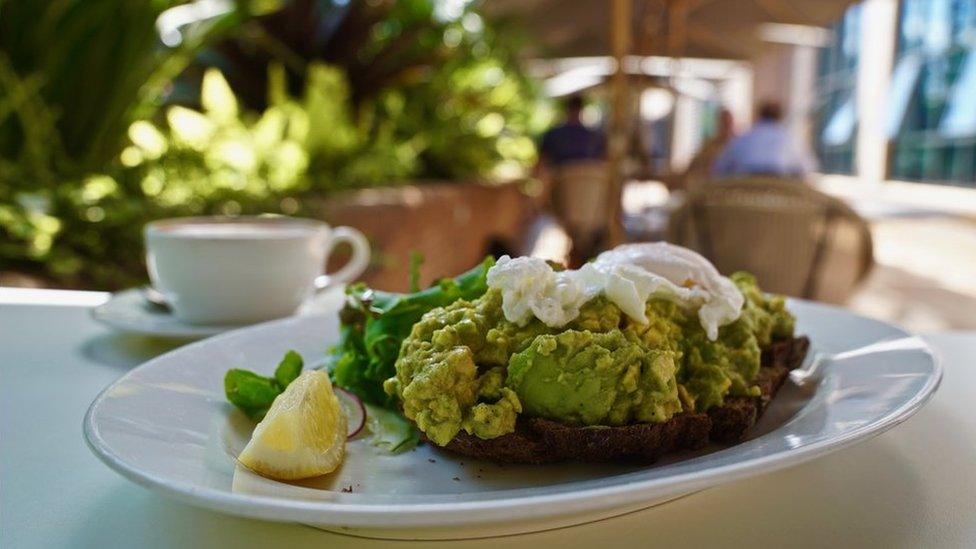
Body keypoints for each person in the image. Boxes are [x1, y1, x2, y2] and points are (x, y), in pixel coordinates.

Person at [536, 95, 608, 267]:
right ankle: (581, 253)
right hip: (592, 200)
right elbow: (607, 164)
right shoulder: (596, 136)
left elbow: (540, 167)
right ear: (582, 110)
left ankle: (578, 253)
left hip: (563, 199)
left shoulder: (553, 135)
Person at [711, 101, 817, 179]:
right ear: (780, 117)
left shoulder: (742, 139)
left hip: (744, 196)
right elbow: (807, 169)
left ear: (758, 116)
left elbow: (719, 169)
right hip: (782, 198)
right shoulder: (791, 140)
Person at [537, 95, 606, 168]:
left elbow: (541, 161)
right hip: (589, 177)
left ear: (567, 109)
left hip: (561, 176)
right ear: (581, 109)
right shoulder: (594, 136)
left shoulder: (553, 134)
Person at [681, 108, 735, 189]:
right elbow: (694, 165)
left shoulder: (737, 145)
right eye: (723, 122)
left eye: (728, 122)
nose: (726, 126)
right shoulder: (709, 145)